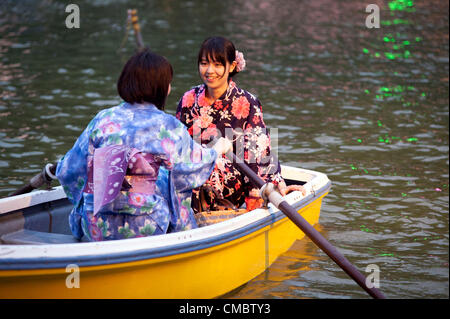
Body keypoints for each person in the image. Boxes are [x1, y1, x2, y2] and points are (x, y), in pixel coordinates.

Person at [56, 48, 232, 241]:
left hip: (97, 225)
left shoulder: (103, 119)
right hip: (145, 224)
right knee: (167, 178)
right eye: (169, 83)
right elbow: (189, 169)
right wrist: (215, 151)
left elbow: (69, 170)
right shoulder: (167, 125)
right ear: (162, 88)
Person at [176, 36, 305, 213]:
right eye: (204, 63)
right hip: (193, 171)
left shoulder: (247, 102)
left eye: (218, 65)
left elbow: (260, 154)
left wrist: (274, 186)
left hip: (233, 179)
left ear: (232, 66)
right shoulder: (188, 99)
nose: (209, 70)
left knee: (208, 169)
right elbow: (177, 145)